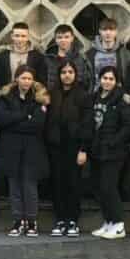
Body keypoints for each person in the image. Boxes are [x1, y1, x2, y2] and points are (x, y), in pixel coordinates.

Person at [0, 66, 50, 237]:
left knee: (29, 185)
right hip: (11, 147)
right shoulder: (5, 97)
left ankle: (32, 221)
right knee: (14, 185)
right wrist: (25, 115)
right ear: (16, 79)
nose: (26, 81)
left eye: (29, 78)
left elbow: (37, 125)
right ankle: (18, 220)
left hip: (32, 148)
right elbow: (1, 120)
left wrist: (16, 121)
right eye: (23, 78)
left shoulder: (39, 99)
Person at [87, 66, 130, 239]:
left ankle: (119, 224)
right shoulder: (94, 97)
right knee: (99, 188)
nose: (107, 81)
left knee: (109, 187)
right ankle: (108, 222)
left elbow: (129, 126)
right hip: (97, 150)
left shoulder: (122, 99)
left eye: (111, 79)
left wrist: (114, 141)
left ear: (116, 81)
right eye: (104, 78)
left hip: (114, 151)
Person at [46, 61, 90, 237]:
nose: (67, 75)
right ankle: (60, 219)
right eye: (63, 72)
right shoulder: (53, 94)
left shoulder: (82, 95)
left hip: (75, 146)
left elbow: (87, 124)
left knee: (73, 184)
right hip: (56, 146)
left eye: (70, 71)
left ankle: (72, 220)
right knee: (57, 183)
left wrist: (83, 148)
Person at [86, 17, 130, 94]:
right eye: (104, 30)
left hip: (118, 96)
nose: (108, 33)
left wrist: (126, 94)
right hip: (95, 95)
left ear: (116, 32)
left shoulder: (124, 53)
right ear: (100, 31)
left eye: (111, 30)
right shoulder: (90, 54)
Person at [0, 21, 48, 86]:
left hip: (30, 93)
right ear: (12, 36)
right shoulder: (2, 56)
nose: (20, 39)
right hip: (8, 94)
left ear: (28, 37)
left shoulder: (37, 57)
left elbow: (41, 80)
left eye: (23, 36)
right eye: (17, 36)